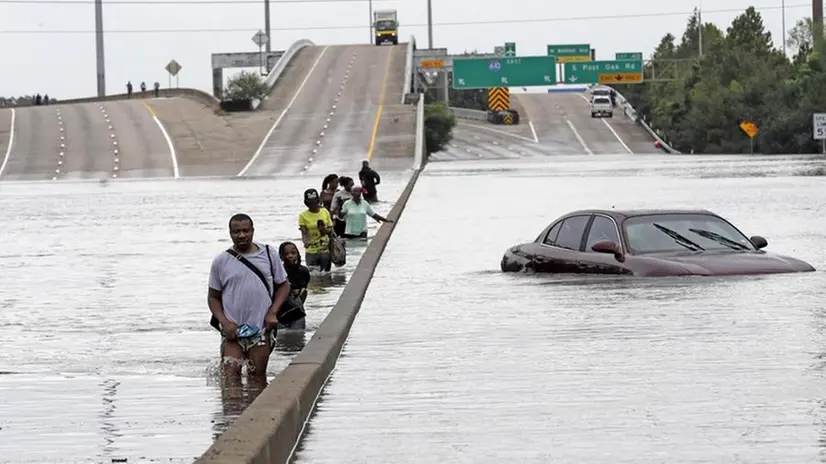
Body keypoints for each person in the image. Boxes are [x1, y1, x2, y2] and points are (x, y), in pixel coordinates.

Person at [207, 213, 290, 379]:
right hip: (232, 332)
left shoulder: (269, 254)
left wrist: (273, 312)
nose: (241, 235)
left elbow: (283, 285)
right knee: (230, 379)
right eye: (236, 231)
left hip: (261, 330)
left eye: (245, 230)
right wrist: (224, 322)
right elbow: (213, 297)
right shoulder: (221, 261)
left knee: (258, 378)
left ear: (252, 231)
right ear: (230, 233)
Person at [298, 189, 334, 272]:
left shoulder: (324, 212)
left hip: (325, 250)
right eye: (310, 203)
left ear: (318, 201)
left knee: (325, 274)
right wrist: (305, 242)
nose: (312, 205)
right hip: (311, 250)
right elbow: (304, 233)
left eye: (314, 202)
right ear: (306, 203)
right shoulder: (303, 215)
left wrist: (324, 230)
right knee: (312, 274)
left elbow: (331, 229)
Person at [277, 241, 310, 330]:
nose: (290, 256)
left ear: (297, 254)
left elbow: (304, 289)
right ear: (281, 256)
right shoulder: (279, 272)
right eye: (286, 254)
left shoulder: (304, 271)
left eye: (293, 253)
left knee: (298, 333)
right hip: (282, 309)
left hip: (298, 308)